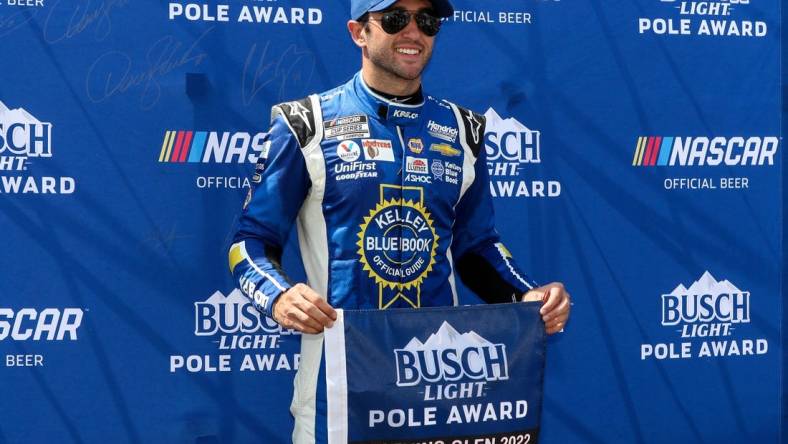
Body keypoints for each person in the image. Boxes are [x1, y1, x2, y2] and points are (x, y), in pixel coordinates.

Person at [228, 0, 571, 441]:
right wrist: (278, 295)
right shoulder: (305, 123)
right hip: (338, 378)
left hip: (437, 383)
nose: (413, 32)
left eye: (427, 21)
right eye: (394, 18)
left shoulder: (464, 130)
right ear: (358, 32)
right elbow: (249, 241)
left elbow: (476, 245)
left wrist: (527, 293)